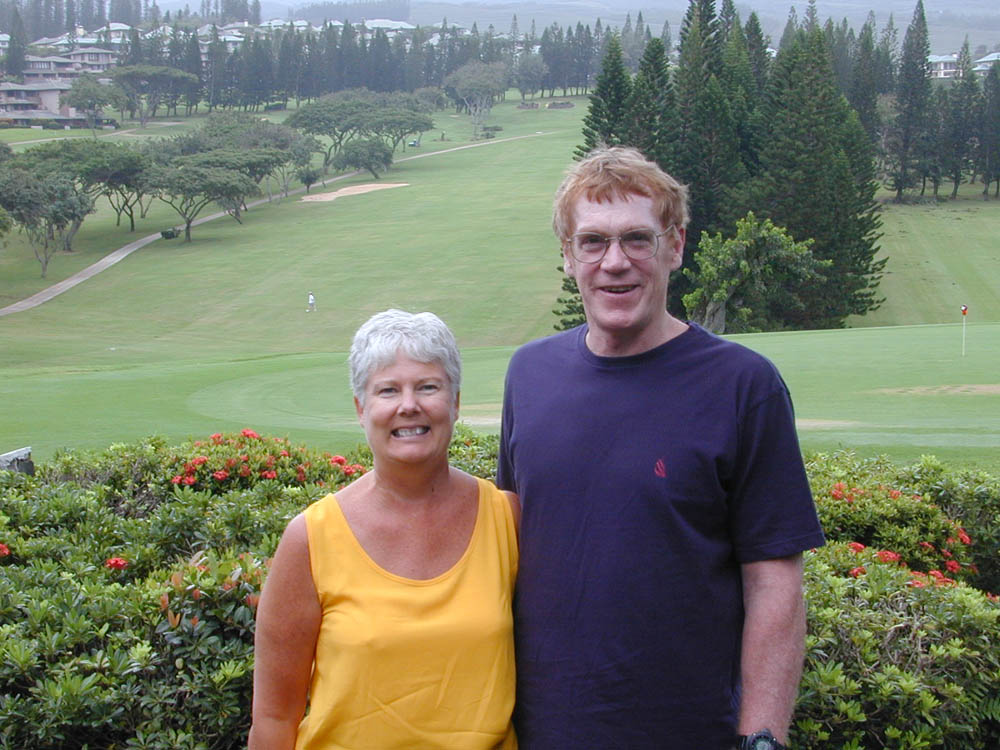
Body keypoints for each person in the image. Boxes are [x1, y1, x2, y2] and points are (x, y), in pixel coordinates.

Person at [497, 147, 825, 750]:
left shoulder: (743, 386)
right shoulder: (529, 373)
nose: (614, 263)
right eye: (592, 242)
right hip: (539, 730)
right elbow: (512, 546)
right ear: (567, 256)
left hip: (689, 731)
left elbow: (775, 583)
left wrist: (762, 739)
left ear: (675, 245)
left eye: (637, 240)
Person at [250, 309, 520, 750]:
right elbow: (274, 719)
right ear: (361, 408)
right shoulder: (311, 539)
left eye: (428, 386)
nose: (408, 405)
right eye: (388, 390)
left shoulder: (506, 519)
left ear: (455, 402)